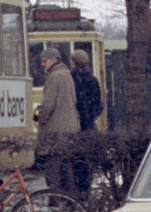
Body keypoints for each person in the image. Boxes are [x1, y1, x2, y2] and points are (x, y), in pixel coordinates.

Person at [36, 47, 79, 195]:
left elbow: (48, 104)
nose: (42, 64)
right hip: (68, 127)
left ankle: (54, 197)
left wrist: (41, 119)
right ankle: (69, 197)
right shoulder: (67, 74)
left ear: (54, 59)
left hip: (55, 129)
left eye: (44, 61)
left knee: (53, 167)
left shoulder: (54, 77)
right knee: (66, 167)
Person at [69, 49, 103, 194]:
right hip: (89, 124)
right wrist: (91, 116)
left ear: (73, 62)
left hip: (75, 123)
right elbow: (99, 104)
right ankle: (86, 189)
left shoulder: (70, 79)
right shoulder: (93, 79)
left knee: (75, 160)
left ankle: (77, 191)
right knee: (87, 159)